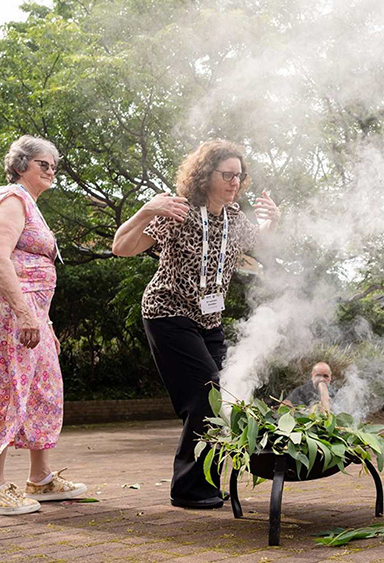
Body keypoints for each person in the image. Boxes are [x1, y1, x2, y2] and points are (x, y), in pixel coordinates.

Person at [113, 139, 280, 510]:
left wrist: (273, 221)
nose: (235, 181)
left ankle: (204, 483)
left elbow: (263, 243)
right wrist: (145, 211)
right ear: (206, 176)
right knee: (206, 395)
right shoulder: (178, 212)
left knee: (229, 399)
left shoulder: (234, 219)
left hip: (210, 321)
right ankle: (189, 488)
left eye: (239, 175)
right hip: (168, 314)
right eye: (227, 174)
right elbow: (121, 247)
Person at [0, 135, 87, 515]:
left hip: (33, 312)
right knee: (9, 385)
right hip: (9, 309)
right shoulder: (12, 199)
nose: (51, 171)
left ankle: (40, 477)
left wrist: (44, 321)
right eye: (43, 164)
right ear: (22, 166)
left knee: (44, 388)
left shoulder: (29, 205)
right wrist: (23, 313)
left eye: (54, 165)